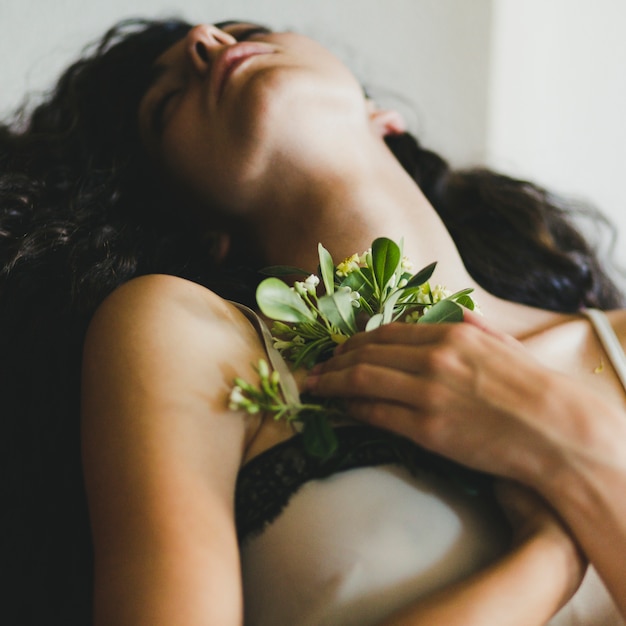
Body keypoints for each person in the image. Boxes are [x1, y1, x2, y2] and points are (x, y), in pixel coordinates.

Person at [0, 16, 622, 626]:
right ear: (199, 227)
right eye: (165, 105)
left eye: (245, 33)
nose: (204, 41)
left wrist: (575, 444)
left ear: (382, 116)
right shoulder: (190, 339)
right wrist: (549, 557)